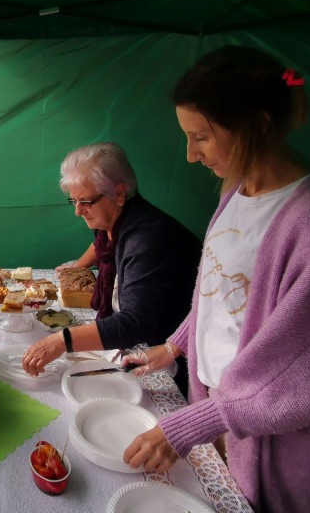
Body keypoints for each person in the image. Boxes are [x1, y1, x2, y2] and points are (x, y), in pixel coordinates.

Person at [120, 46, 310, 513]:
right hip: (216, 414)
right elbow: (221, 292)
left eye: (202, 137)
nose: (190, 156)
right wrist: (177, 345)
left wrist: (202, 421)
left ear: (259, 123)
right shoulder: (235, 192)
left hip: (275, 445)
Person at [22, 143, 201, 392]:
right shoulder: (114, 216)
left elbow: (136, 322)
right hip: (141, 337)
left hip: (168, 355)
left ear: (119, 193)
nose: (77, 211)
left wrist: (62, 341)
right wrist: (76, 267)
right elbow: (102, 242)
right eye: (73, 200)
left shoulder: (147, 238)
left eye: (85, 202)